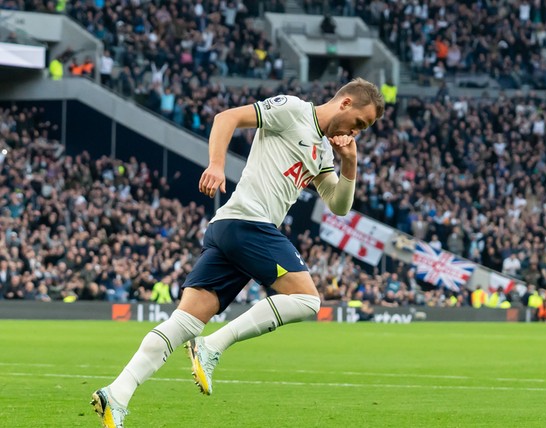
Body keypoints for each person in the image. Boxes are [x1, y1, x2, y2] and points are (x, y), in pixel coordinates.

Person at [91, 78, 385, 427]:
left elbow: (338, 205)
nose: (358, 132)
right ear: (346, 103)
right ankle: (212, 346)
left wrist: (348, 163)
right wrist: (216, 164)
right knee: (308, 300)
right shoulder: (292, 110)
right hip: (249, 222)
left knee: (183, 323)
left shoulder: (322, 151)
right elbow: (226, 117)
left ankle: (117, 394)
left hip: (232, 229)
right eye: (360, 123)